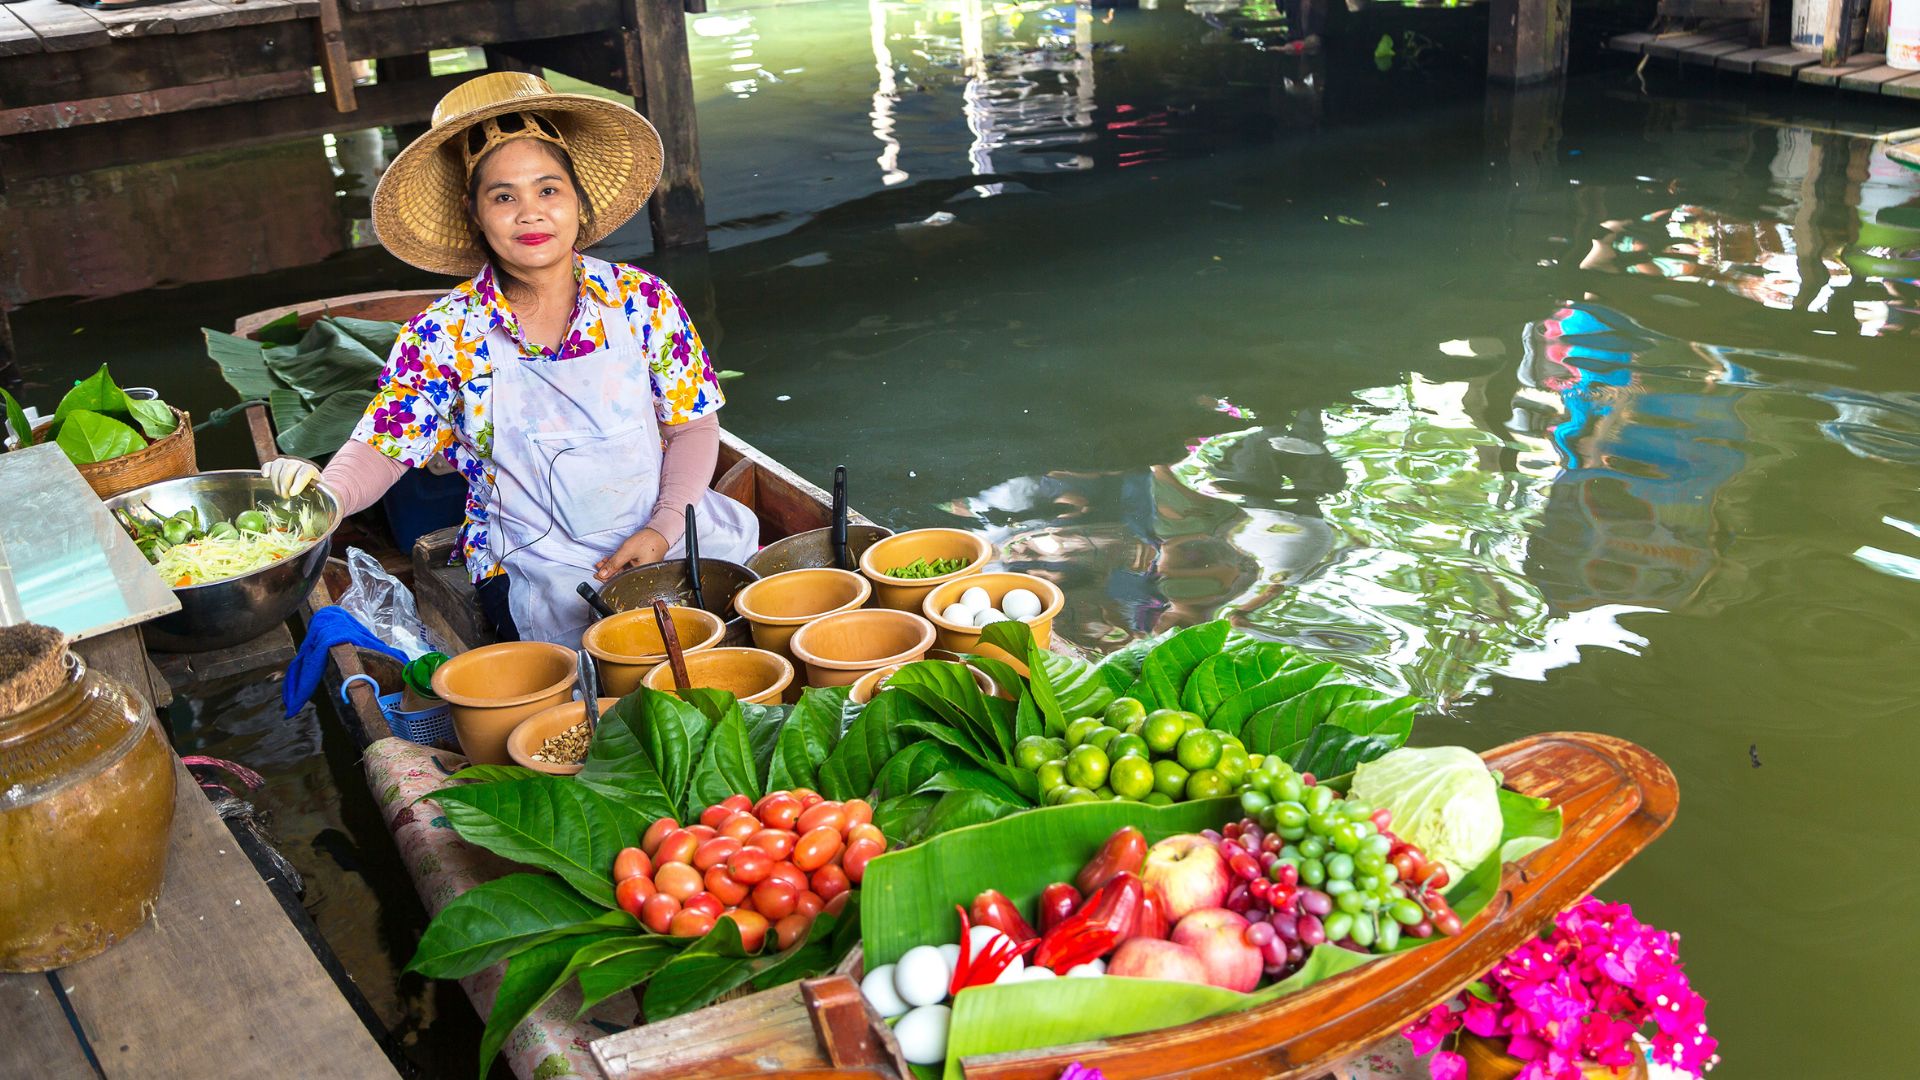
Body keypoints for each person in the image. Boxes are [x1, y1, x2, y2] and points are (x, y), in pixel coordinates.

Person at [264, 72, 759, 648]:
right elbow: (384, 444)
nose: (530, 214)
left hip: (670, 533)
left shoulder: (642, 300)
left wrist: (664, 525)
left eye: (549, 190)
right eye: (504, 197)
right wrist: (325, 494)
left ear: (578, 200)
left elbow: (693, 426)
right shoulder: (444, 333)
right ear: (474, 213)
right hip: (537, 567)